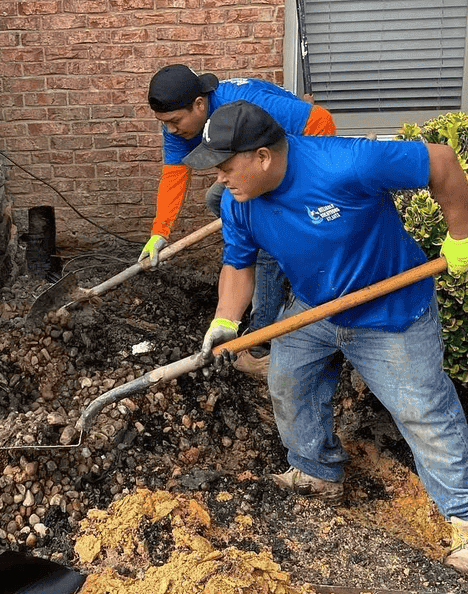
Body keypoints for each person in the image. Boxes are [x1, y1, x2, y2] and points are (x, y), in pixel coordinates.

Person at [184, 100, 468, 580]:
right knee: (288, 380)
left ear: (262, 157)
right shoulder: (238, 202)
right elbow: (238, 264)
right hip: (316, 306)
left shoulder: (344, 163)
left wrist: (462, 236)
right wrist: (225, 321)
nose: (220, 179)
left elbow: (440, 161)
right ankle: (316, 471)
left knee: (421, 409)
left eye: (225, 167)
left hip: (389, 309)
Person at [142, 65, 335, 377]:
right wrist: (159, 232)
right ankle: (260, 240)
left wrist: (313, 183)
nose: (171, 130)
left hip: (289, 153)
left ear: (199, 105)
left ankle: (261, 344)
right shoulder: (178, 126)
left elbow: (319, 120)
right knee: (216, 199)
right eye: (164, 123)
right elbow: (174, 175)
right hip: (253, 162)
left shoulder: (247, 104)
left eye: (175, 121)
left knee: (266, 248)